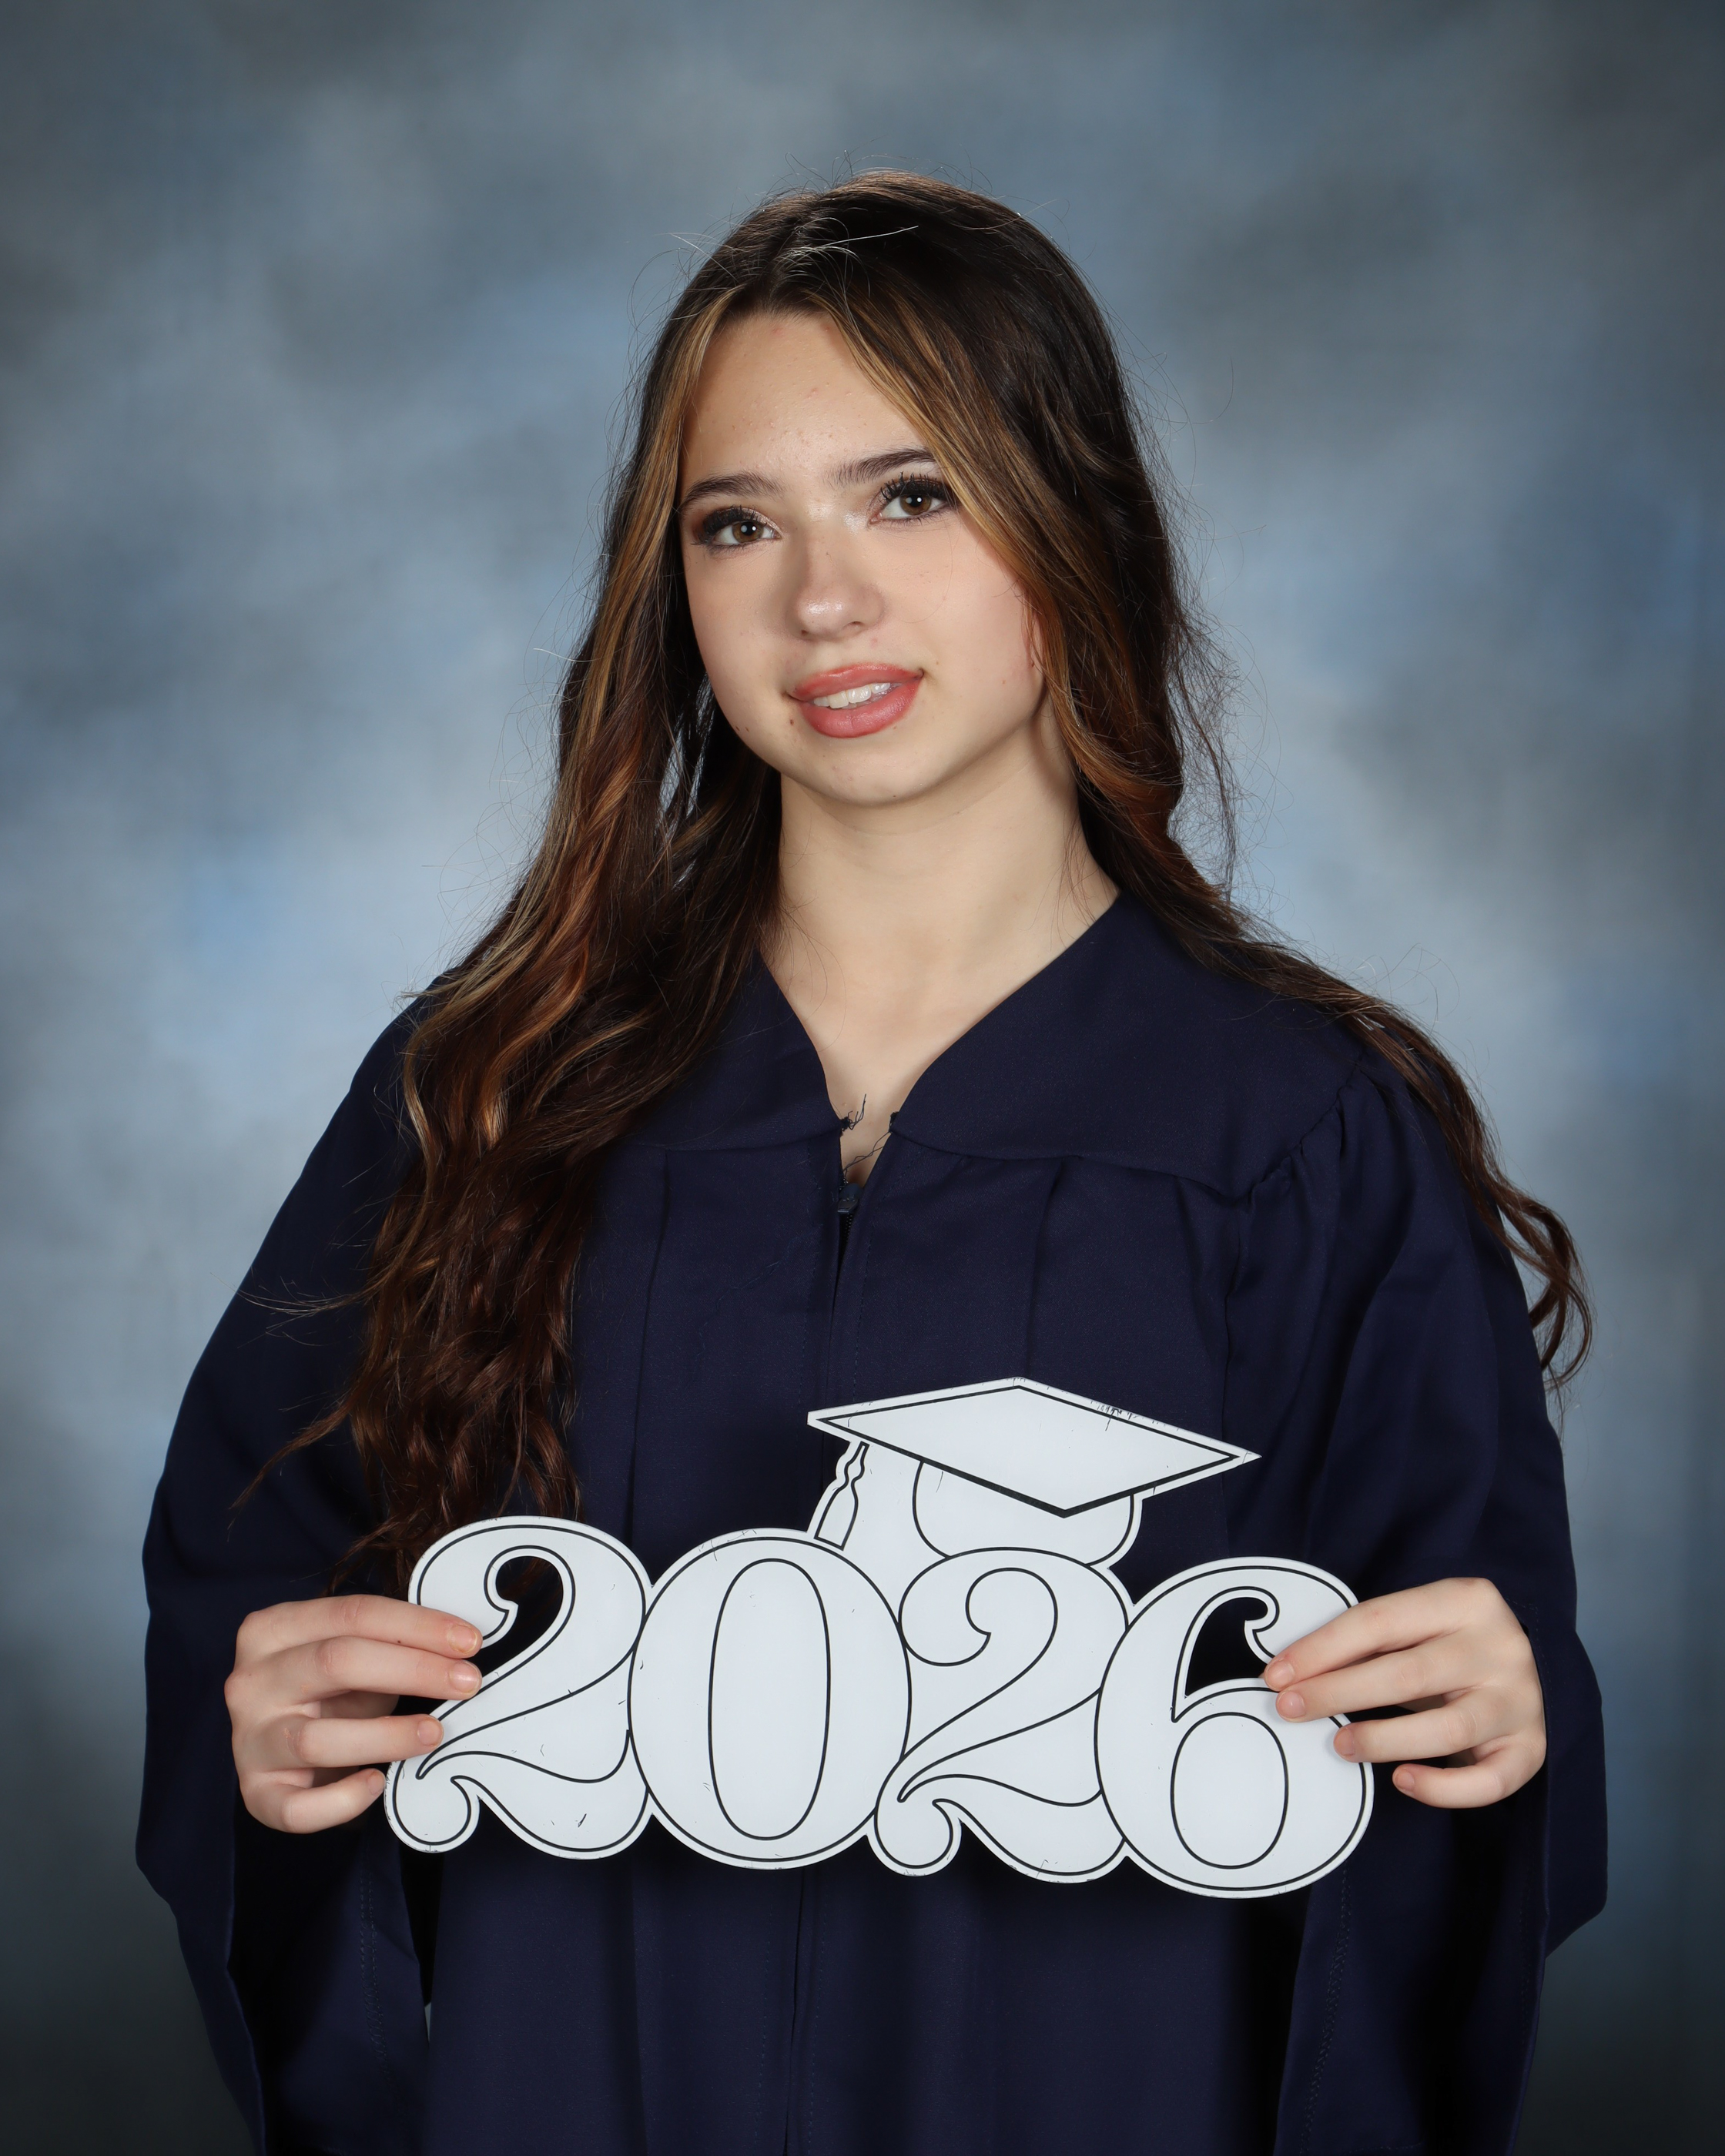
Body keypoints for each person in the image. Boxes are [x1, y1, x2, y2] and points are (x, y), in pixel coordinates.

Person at [139, 174, 1605, 2156]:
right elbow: (249, 1595)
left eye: (910, 495)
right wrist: (273, 1730)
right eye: (736, 523)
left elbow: (1456, 1790)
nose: (820, 600)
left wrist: (1497, 1730)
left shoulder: (1300, 1136)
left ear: (1070, 519)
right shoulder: (482, 1096)